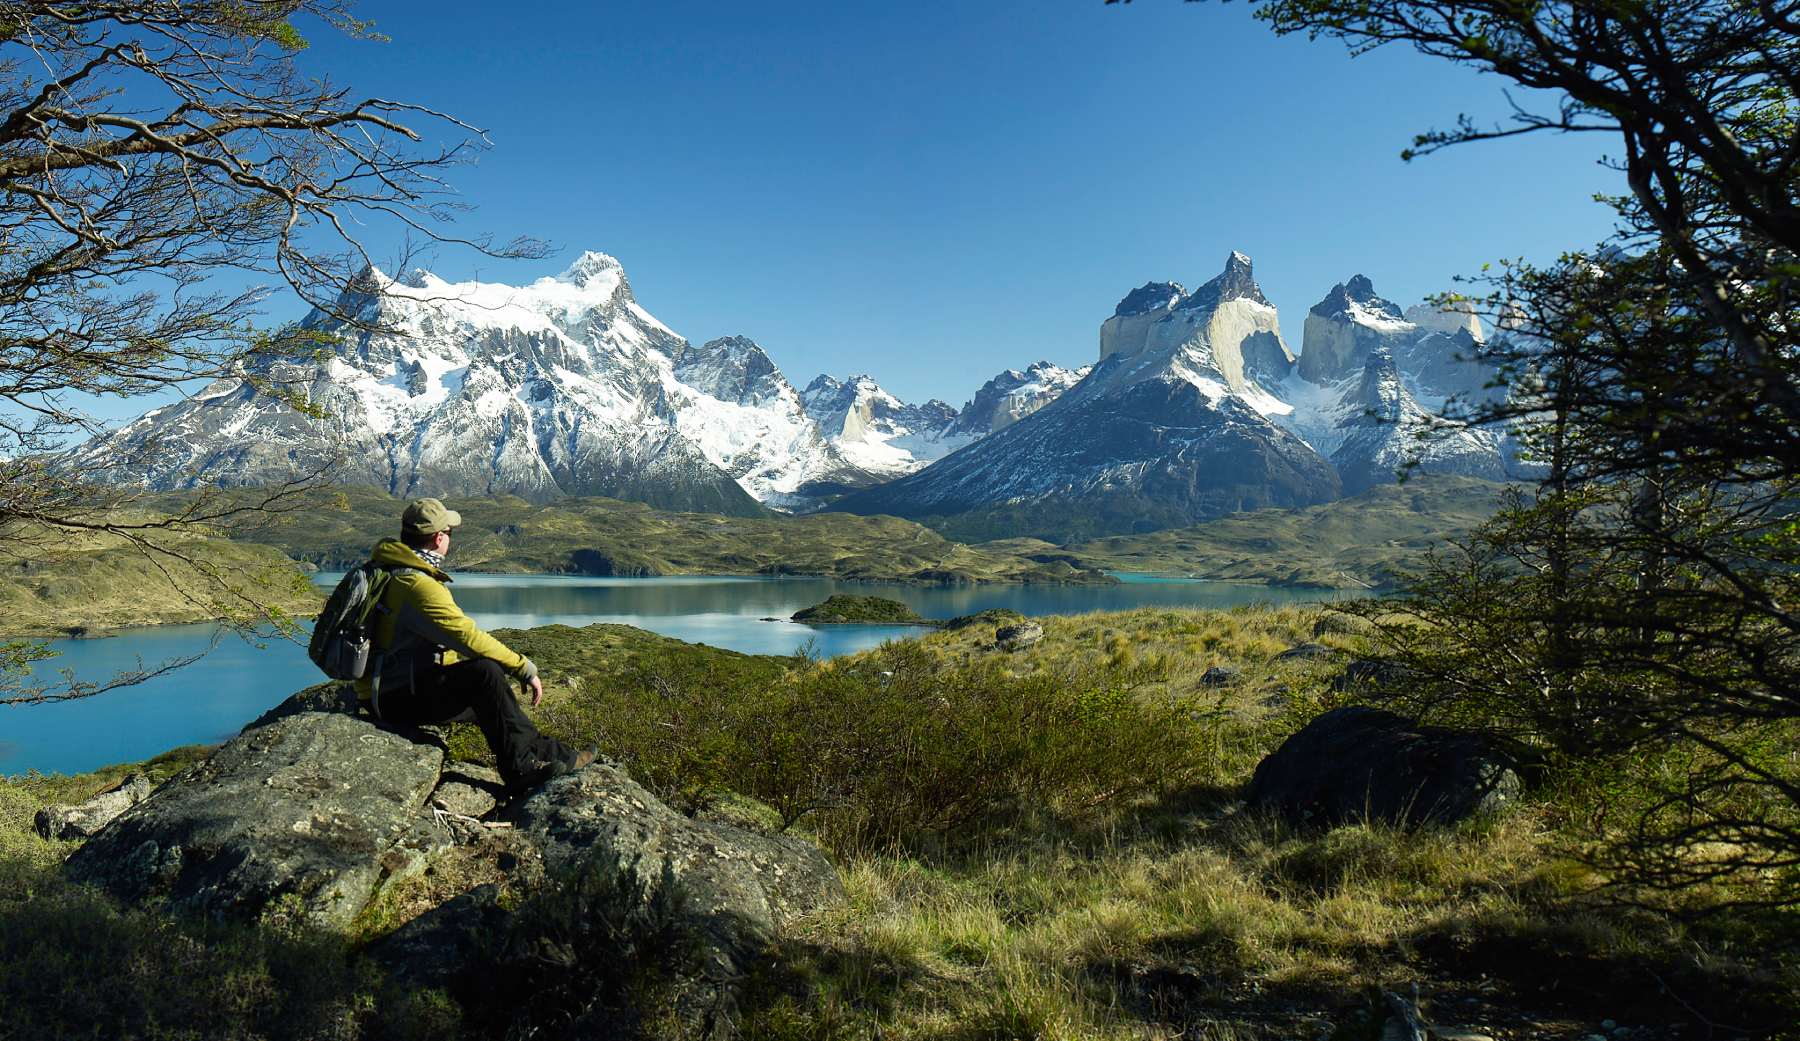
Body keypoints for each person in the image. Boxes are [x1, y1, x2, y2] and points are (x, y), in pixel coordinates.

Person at [355, 497, 595, 797]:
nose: (449, 539)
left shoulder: (389, 568)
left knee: (491, 693)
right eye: (449, 532)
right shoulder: (416, 585)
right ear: (439, 537)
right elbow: (468, 638)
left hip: (383, 690)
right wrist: (524, 668)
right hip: (394, 696)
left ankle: (558, 756)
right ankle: (521, 768)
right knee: (485, 674)